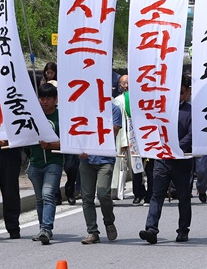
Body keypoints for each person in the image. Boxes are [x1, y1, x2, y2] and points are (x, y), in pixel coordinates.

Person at [140, 75, 194, 244]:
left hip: (181, 160)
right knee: (157, 194)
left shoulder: (191, 111)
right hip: (162, 159)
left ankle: (183, 230)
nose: (177, 95)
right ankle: (151, 229)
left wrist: (177, 148)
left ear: (187, 93)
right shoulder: (160, 110)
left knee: (184, 196)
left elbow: (192, 134)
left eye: (181, 92)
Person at [79, 101, 123, 244]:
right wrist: (78, 149)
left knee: (103, 194)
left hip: (105, 160)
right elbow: (76, 131)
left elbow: (113, 132)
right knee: (87, 197)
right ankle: (92, 232)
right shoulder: (83, 109)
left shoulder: (114, 110)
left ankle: (109, 221)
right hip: (86, 161)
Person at [27, 83, 63, 244]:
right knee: (39, 198)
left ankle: (46, 229)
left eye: (48, 98)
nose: (44, 101)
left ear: (55, 99)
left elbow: (68, 142)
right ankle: (43, 227)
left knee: (48, 194)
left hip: (53, 163)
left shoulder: (62, 117)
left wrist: (50, 145)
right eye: (41, 98)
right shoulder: (32, 116)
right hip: (35, 162)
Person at [111, 75, 148, 205]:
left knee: (137, 167)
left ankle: (140, 192)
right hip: (124, 136)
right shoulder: (118, 100)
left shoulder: (137, 98)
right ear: (120, 86)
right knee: (127, 167)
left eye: (128, 82)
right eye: (123, 83)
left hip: (138, 136)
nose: (126, 85)